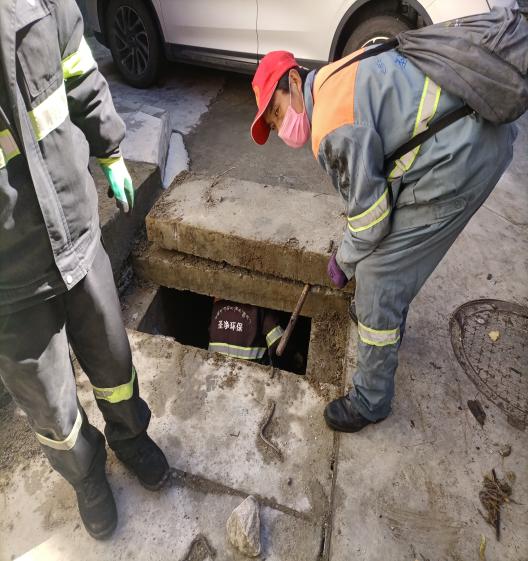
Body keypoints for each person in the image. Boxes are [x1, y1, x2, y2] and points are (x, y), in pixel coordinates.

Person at [249, 45, 517, 433]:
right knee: (383, 259)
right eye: (274, 125)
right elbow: (377, 182)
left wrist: (343, 262)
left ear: (293, 80)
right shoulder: (333, 79)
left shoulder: (330, 126)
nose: (281, 127)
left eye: (276, 112)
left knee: (378, 275)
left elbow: (370, 222)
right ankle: (382, 319)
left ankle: (370, 400)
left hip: (462, 155)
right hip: (468, 129)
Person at [0, 0, 168, 539]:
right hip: (7, 276)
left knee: (114, 361)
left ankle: (129, 437)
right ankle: (86, 475)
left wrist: (110, 151)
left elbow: (77, 68)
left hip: (73, 224)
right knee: (51, 407)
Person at [208, 299, 284, 365]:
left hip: (213, 365)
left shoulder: (217, 304)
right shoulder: (261, 307)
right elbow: (277, 341)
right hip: (250, 370)